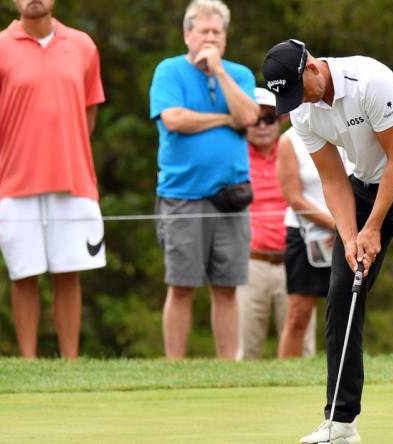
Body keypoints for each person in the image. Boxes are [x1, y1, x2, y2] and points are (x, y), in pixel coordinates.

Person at [264, 39, 393, 444]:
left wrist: (372, 228)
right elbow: (333, 179)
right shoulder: (301, 109)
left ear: (313, 68)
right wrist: (351, 236)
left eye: (300, 90)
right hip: (364, 185)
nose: (299, 101)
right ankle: (340, 422)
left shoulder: (370, 80)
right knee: (341, 293)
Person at [0, 0, 106, 359]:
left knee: (69, 272)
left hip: (73, 180)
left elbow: (88, 113)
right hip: (17, 185)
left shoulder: (82, 46)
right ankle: (28, 363)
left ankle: (70, 363)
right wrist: (12, 162)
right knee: (24, 275)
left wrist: (68, 150)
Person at [149, 0, 259, 360]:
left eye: (217, 32)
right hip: (183, 196)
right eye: (203, 31)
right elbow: (175, 120)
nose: (210, 38)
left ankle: (227, 367)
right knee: (181, 286)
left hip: (231, 197)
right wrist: (223, 119)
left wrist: (219, 73)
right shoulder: (169, 71)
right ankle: (175, 369)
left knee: (226, 287)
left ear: (225, 38)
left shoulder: (239, 74)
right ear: (187, 34)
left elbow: (248, 116)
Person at [236, 87, 314, 360]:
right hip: (250, 261)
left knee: (301, 345)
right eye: (254, 118)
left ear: (280, 121)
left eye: (269, 118)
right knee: (247, 348)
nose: (261, 126)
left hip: (294, 257)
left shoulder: (297, 149)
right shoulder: (233, 155)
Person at [276, 127, 351, 359]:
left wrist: (345, 227)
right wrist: (336, 226)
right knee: (299, 313)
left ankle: (342, 373)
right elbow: (294, 197)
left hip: (347, 232)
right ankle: (287, 378)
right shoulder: (289, 140)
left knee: (346, 312)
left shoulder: (345, 130)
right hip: (305, 233)